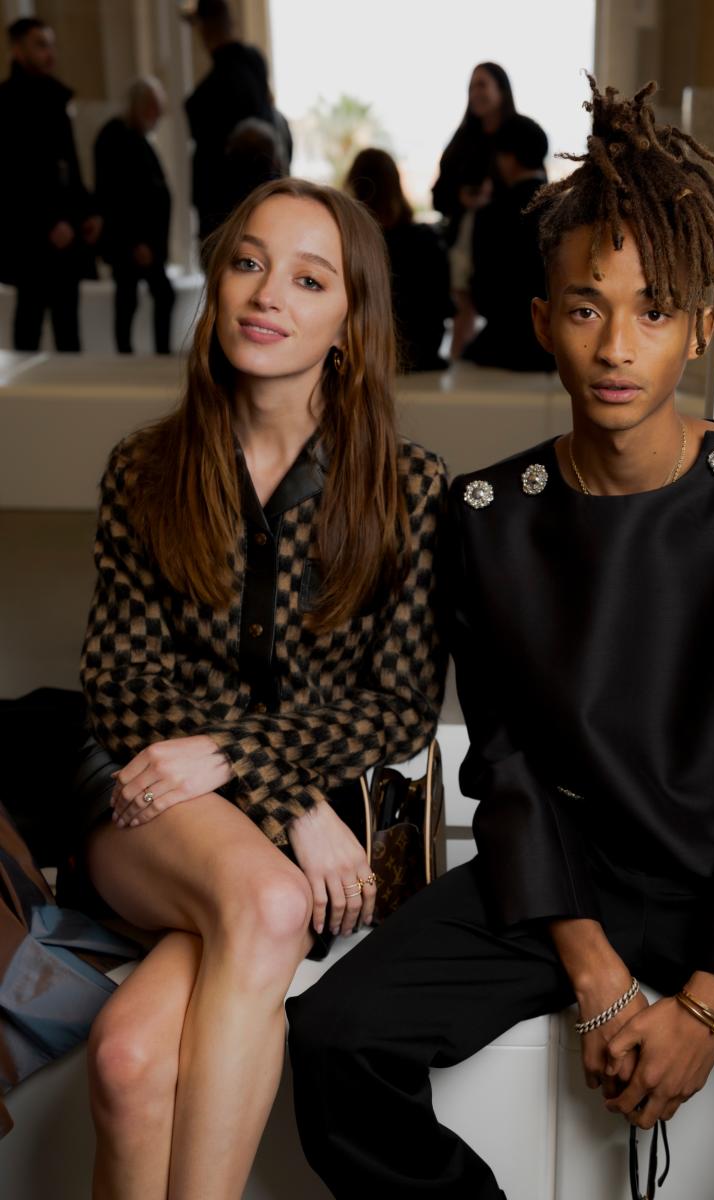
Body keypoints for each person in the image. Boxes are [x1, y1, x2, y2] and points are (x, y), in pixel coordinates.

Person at [286, 79, 714, 1198]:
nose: (617, 345)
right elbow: (504, 763)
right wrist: (594, 968)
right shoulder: (490, 520)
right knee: (335, 1043)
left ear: (701, 325)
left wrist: (707, 1004)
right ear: (543, 320)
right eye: (587, 307)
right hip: (569, 877)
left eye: (655, 310)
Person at [73, 177, 447, 1199]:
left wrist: (242, 758)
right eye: (247, 263)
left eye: (307, 277)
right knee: (273, 896)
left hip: (268, 821)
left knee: (130, 1063)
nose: (265, 293)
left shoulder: (408, 489)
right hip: (152, 807)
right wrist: (288, 796)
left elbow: (400, 705)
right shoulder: (144, 469)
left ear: (350, 325)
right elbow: (119, 683)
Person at [0, 17, 100, 351]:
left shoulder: (57, 99)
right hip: (30, 237)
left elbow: (68, 169)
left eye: (50, 44)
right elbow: (13, 177)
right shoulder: (7, 103)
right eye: (40, 44)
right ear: (17, 49)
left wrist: (85, 213)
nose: (49, 52)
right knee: (28, 324)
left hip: (65, 233)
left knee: (68, 329)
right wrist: (48, 223)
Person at [184, 0, 290, 239]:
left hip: (226, 215)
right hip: (266, 200)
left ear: (203, 29)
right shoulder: (254, 64)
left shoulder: (202, 100)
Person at [432, 62, 516, 358]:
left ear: (501, 90)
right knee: (461, 306)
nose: (475, 93)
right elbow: (438, 194)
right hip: (464, 239)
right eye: (471, 86)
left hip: (504, 240)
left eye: (482, 84)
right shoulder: (462, 140)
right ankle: (458, 365)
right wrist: (463, 197)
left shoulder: (518, 136)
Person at [346, 147, 452, 372]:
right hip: (422, 354)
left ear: (354, 183)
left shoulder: (350, 242)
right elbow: (442, 304)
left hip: (367, 355)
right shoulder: (426, 240)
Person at [463, 114, 554, 372]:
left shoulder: (490, 215)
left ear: (508, 157)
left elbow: (483, 296)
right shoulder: (567, 211)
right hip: (552, 350)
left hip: (501, 346)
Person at [94, 77, 174, 355]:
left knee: (155, 295)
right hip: (131, 242)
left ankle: (154, 352)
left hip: (145, 242)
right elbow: (116, 197)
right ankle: (126, 353)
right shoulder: (116, 138)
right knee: (131, 297)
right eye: (154, 109)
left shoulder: (137, 140)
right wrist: (135, 242)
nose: (157, 117)